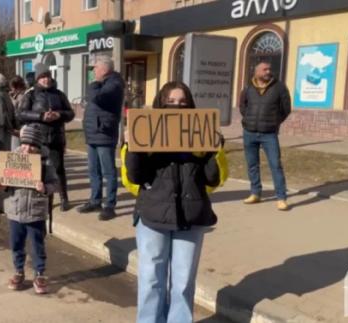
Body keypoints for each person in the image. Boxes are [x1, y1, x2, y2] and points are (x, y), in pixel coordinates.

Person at [125, 82, 220, 323]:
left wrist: (212, 151)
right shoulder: (147, 130)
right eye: (171, 101)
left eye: (182, 101)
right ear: (160, 103)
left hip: (191, 215)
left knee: (183, 281)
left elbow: (213, 178)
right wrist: (133, 146)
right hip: (153, 215)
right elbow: (136, 176)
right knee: (150, 279)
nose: (177, 106)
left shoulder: (199, 132)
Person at [0, 124, 58, 295]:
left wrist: (45, 188)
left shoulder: (45, 161)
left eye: (32, 146)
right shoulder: (13, 158)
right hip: (15, 209)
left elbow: (55, 184)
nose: (27, 149)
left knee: (37, 244)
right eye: (25, 144)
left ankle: (40, 273)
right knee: (16, 243)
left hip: (35, 211)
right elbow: (3, 181)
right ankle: (18, 271)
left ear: (38, 146)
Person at [18, 64, 74, 212]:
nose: (46, 80)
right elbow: (21, 114)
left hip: (56, 137)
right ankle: (42, 196)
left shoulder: (59, 94)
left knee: (58, 169)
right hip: (38, 139)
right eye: (42, 77)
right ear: (37, 79)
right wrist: (41, 116)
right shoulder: (31, 95)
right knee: (39, 169)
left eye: (47, 76)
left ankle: (64, 198)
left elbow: (71, 114)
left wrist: (59, 115)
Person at [78, 55, 125, 220]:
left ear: (104, 69)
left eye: (95, 68)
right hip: (92, 133)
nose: (93, 71)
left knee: (108, 172)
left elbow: (98, 98)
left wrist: (94, 84)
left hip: (104, 133)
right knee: (93, 170)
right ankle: (95, 200)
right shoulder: (103, 84)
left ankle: (110, 205)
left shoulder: (114, 83)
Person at [240, 61, 291, 211]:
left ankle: (281, 197)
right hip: (249, 132)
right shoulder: (248, 88)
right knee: (252, 165)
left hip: (269, 134)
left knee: (275, 165)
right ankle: (255, 193)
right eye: (264, 69)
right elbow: (243, 106)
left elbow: (286, 108)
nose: (268, 71)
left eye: (269, 69)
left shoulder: (279, 87)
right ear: (256, 72)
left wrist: (274, 122)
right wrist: (248, 118)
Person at [9, 76, 27, 150]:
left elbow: (18, 112)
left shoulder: (22, 97)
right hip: (17, 125)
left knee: (17, 149)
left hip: (18, 126)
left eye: (12, 87)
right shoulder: (16, 96)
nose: (11, 89)